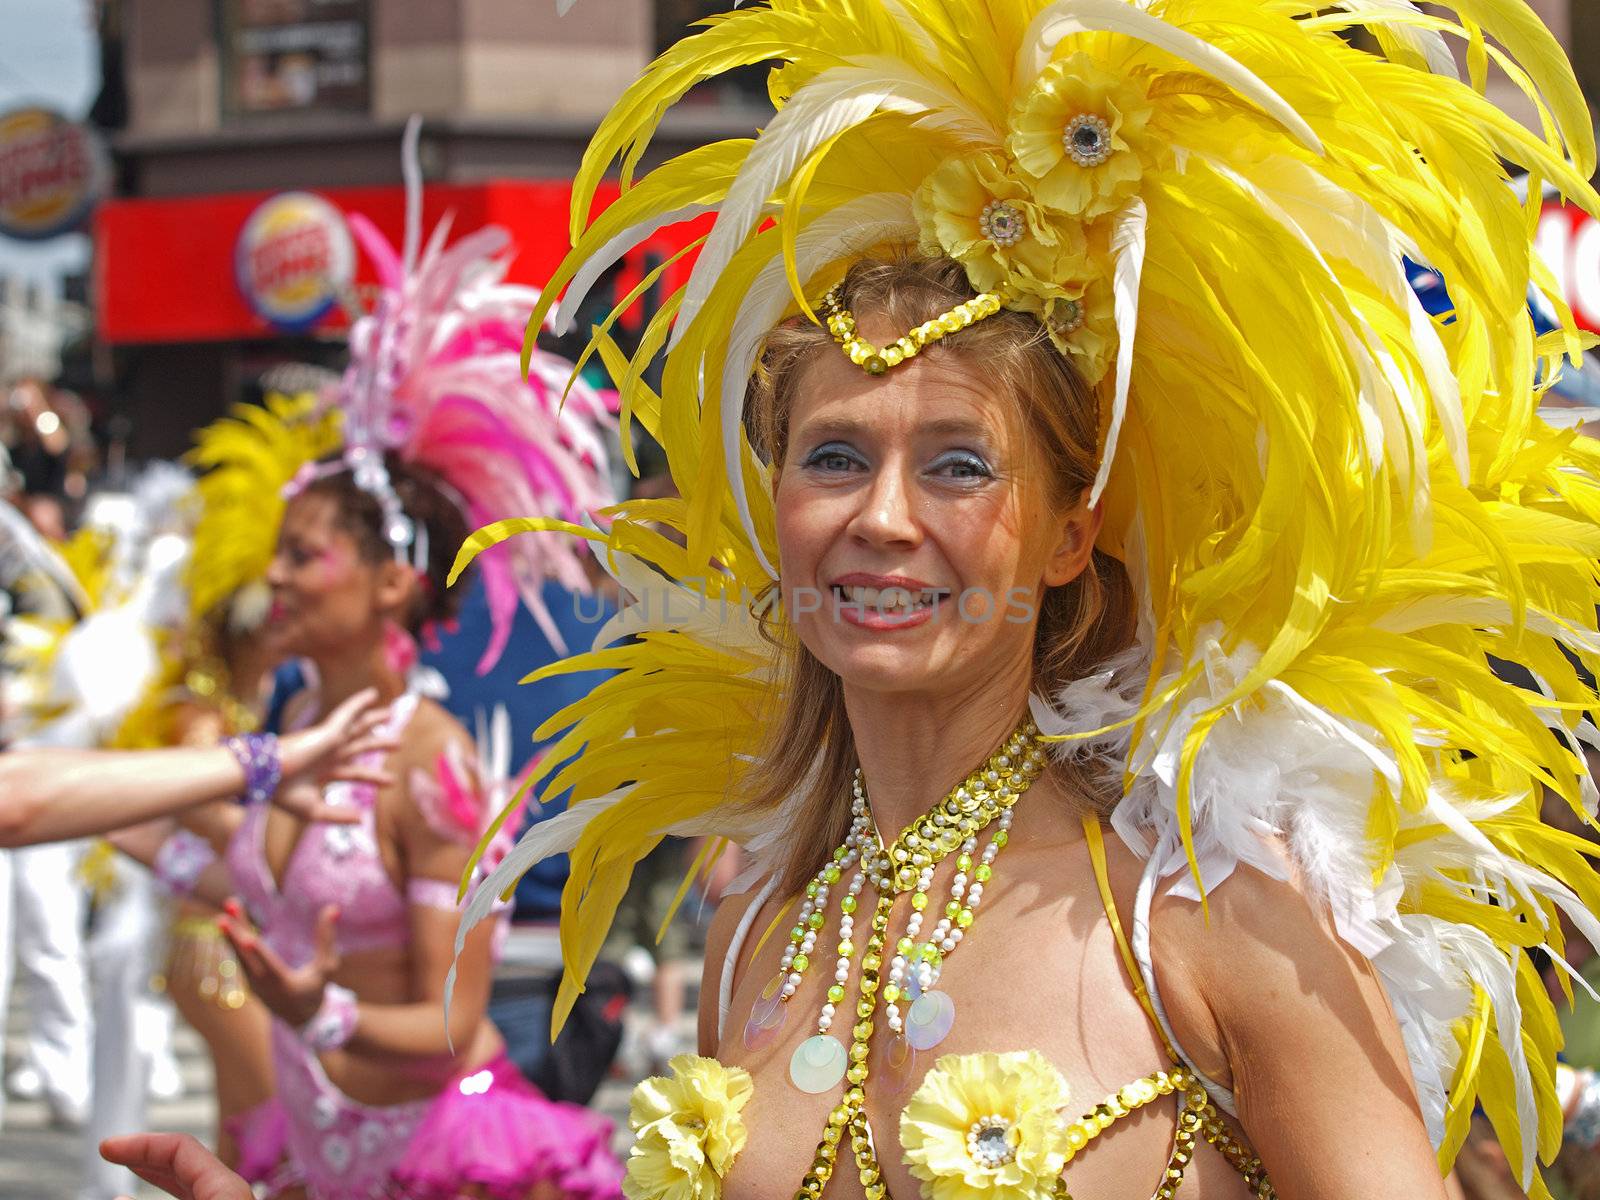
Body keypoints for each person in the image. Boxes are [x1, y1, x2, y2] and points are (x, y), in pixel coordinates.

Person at [111, 3, 1600, 1200]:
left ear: (1071, 535)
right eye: (835, 456)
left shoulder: (1204, 913)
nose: (883, 518)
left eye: (959, 464)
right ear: (774, 510)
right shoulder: (755, 913)